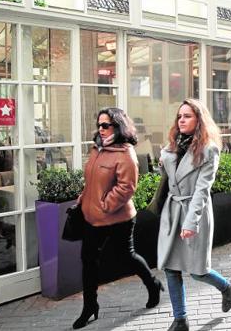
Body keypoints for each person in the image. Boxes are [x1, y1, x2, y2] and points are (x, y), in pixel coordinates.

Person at [74, 108, 164, 329]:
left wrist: (105, 205)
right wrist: (84, 198)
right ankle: (90, 306)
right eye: (99, 125)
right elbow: (93, 181)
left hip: (118, 218)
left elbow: (127, 187)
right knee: (88, 261)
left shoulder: (125, 153)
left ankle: (152, 284)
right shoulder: (97, 149)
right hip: (91, 217)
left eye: (106, 125)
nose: (101, 130)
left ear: (118, 126)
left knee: (127, 257)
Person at [156, 99, 231, 331]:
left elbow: (202, 189)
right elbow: (171, 180)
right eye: (179, 116)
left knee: (198, 271)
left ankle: (225, 286)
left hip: (194, 212)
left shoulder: (209, 150)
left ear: (199, 120)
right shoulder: (172, 147)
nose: (181, 120)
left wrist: (191, 222)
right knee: (171, 267)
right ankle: (180, 319)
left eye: (187, 116)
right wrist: (163, 164)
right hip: (173, 211)